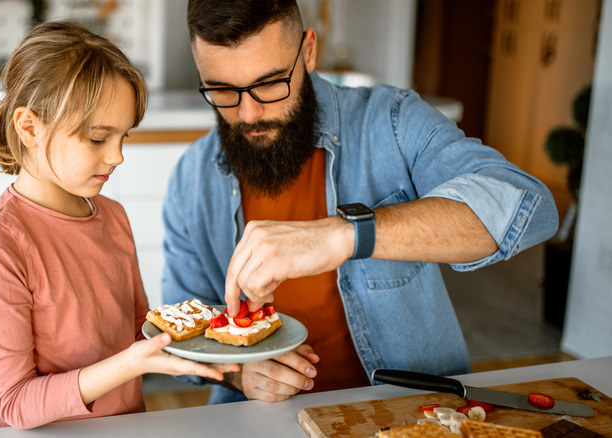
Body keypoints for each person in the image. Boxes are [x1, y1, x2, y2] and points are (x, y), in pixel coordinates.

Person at [162, 0, 559, 405]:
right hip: (257, 415)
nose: (249, 113)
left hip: (406, 410)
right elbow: (179, 335)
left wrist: (346, 235)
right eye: (222, 90)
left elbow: (529, 209)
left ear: (309, 52)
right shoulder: (190, 178)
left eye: (270, 83)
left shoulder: (392, 121)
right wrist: (239, 374)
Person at [0, 21, 238, 429]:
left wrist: (226, 338)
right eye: (97, 138)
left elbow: (142, 327)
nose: (117, 156)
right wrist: (128, 364)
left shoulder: (112, 216)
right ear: (29, 127)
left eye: (123, 137)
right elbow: (15, 405)